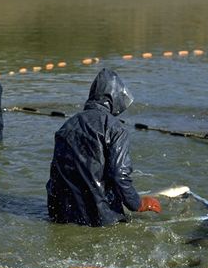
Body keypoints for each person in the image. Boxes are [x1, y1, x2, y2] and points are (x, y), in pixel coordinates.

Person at [46, 68, 162, 226]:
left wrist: (55, 214)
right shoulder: (115, 128)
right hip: (101, 218)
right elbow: (119, 175)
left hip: (64, 215)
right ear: (115, 98)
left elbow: (55, 176)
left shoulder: (67, 126)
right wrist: (138, 204)